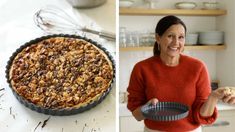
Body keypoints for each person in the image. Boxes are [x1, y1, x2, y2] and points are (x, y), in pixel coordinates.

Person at [127, 15, 235, 132]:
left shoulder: (198, 67)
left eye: (181, 37)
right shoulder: (142, 68)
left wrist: (213, 97)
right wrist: (146, 108)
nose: (176, 42)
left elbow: (203, 115)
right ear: (158, 38)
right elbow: (136, 115)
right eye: (170, 36)